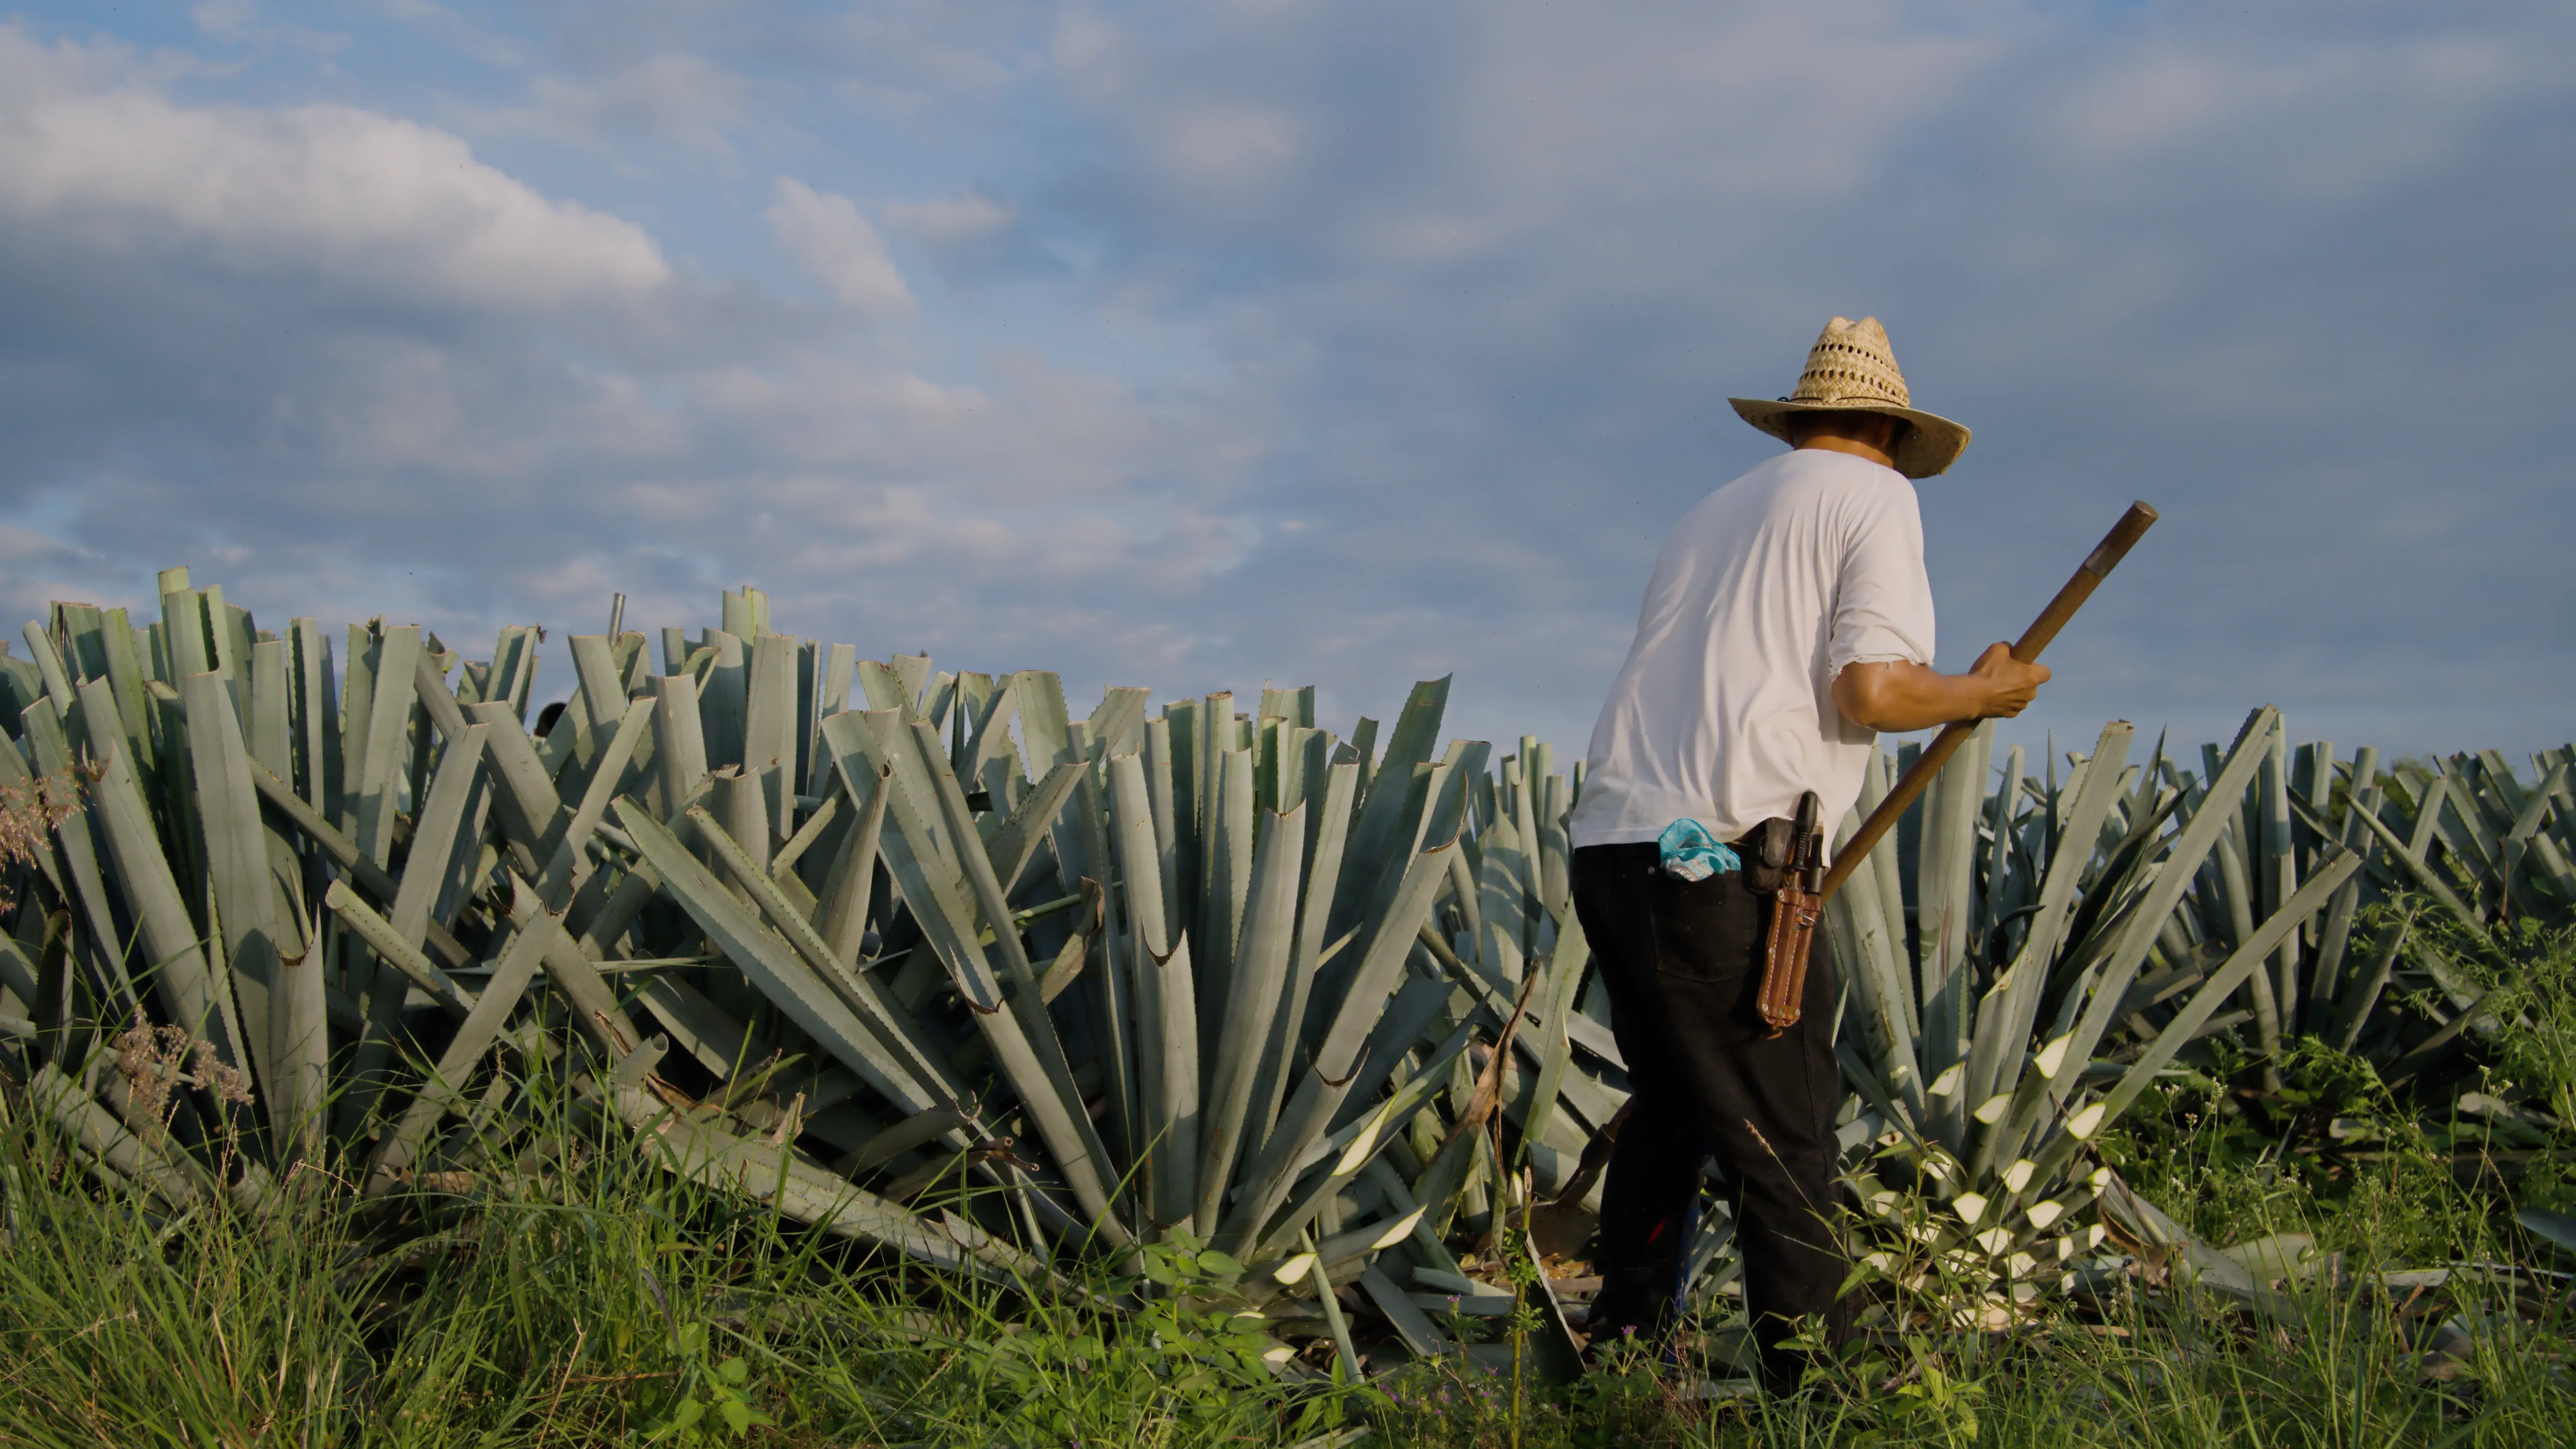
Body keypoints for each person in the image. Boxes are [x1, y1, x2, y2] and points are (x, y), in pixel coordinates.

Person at [1564, 315, 2049, 1394]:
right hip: (1727, 855)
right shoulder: (1874, 496)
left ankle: (1627, 1355)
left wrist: (1963, 691)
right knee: (1782, 1132)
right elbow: (1870, 691)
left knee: (1675, 1105)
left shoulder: (1707, 515)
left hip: (1613, 843)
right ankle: (1822, 1395)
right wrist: (1986, 693)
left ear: (1800, 422)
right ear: (1887, 427)